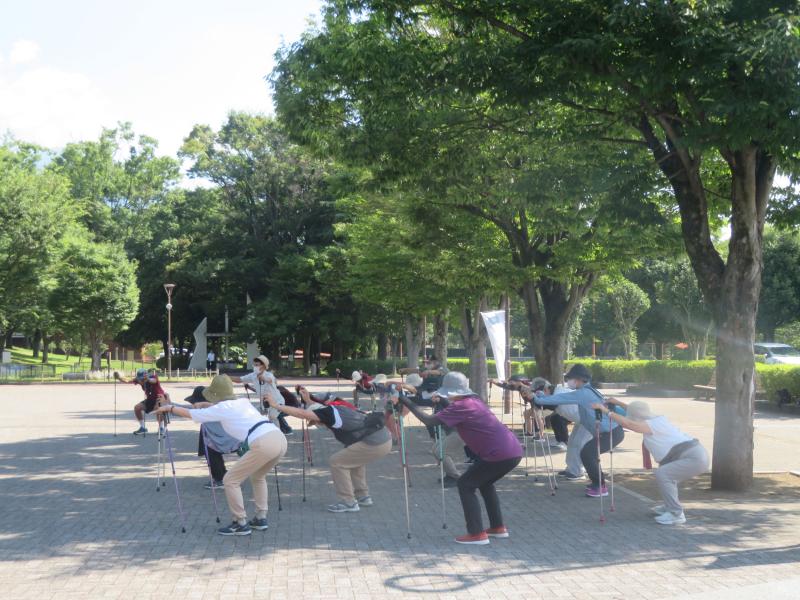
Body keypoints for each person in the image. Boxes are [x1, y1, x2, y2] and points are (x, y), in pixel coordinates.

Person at [395, 371, 522, 545]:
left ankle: (477, 534)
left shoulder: (460, 406)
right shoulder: (474, 402)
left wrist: (405, 401)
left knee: (465, 484)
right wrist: (443, 401)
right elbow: (456, 410)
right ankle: (497, 528)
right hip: (512, 451)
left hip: (498, 454)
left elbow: (429, 421)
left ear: (453, 393)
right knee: (485, 483)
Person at [155, 375, 287, 536]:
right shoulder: (241, 402)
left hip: (263, 442)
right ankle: (260, 518)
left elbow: (192, 414)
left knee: (230, 480)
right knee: (258, 477)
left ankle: (240, 522)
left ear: (215, 395)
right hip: (278, 438)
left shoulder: (221, 408)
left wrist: (169, 408)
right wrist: (199, 404)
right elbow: (217, 408)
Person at [268, 386, 392, 513]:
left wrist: (276, 405)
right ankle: (363, 496)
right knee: (353, 461)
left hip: (375, 442)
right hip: (383, 438)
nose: (318, 424)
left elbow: (303, 413)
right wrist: (308, 400)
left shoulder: (327, 415)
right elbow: (317, 410)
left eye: (315, 421)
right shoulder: (333, 409)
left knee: (337, 462)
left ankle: (348, 502)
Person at [594, 398, 709, 525]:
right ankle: (669, 507)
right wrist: (616, 402)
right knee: (667, 477)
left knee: (664, 474)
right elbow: (635, 411)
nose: (631, 417)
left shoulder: (653, 424)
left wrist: (607, 412)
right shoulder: (653, 419)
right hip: (688, 455)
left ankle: (676, 514)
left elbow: (630, 424)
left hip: (693, 457)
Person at [535, 363, 625, 497]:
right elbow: (597, 410)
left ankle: (600, 486)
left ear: (578, 379)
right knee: (589, 454)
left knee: (588, 453)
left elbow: (560, 399)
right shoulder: (590, 390)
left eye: (571, 378)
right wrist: (542, 396)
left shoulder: (583, 393)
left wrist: (537, 398)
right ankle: (599, 483)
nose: (569, 382)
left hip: (611, 432)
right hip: (609, 431)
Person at [184, 386, 242, 488]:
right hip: (221, 438)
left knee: (210, 451)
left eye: (194, 402)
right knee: (209, 448)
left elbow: (187, 412)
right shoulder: (211, 407)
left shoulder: (209, 411)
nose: (193, 404)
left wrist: (169, 406)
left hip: (225, 440)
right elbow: (186, 410)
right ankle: (222, 475)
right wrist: (169, 404)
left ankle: (220, 479)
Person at [229, 355, 292, 434]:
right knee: (252, 414)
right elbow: (239, 379)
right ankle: (257, 434)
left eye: (257, 365)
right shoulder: (253, 375)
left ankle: (278, 435)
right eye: (254, 364)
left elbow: (270, 380)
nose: (254, 366)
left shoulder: (269, 375)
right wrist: (227, 377)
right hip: (264, 403)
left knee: (272, 416)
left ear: (263, 366)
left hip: (276, 402)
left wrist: (264, 378)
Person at [114, 368, 166, 435]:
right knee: (137, 408)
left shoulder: (153, 377)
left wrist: (148, 379)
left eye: (143, 379)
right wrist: (119, 378)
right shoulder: (138, 379)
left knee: (158, 409)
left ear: (146, 376)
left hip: (160, 397)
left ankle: (161, 428)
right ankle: (143, 428)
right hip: (150, 399)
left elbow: (154, 381)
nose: (141, 381)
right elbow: (127, 381)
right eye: (140, 379)